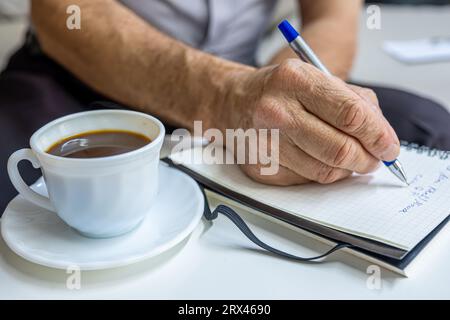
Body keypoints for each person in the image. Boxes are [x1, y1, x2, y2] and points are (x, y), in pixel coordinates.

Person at [1, 0, 449, 211]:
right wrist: (224, 97)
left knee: (429, 128)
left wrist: (301, 94)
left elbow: (332, 15)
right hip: (82, 72)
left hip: (244, 72)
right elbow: (63, 9)